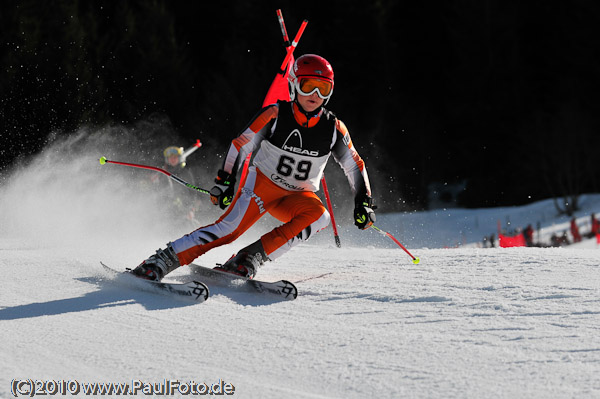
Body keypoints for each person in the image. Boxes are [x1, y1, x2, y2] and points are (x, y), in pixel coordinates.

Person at [130, 54, 375, 281]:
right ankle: (162, 260)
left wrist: (363, 201)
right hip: (262, 186)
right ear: (293, 85)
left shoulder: (333, 129)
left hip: (297, 196)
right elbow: (241, 145)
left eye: (323, 88)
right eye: (307, 85)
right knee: (230, 230)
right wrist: (225, 180)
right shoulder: (276, 115)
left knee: (320, 217)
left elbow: (354, 165)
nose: (315, 94)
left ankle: (249, 258)